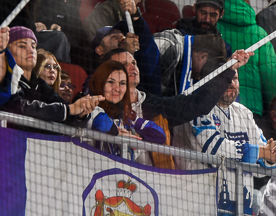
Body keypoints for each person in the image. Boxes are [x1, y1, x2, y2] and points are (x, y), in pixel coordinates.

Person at [106, 46, 251, 169]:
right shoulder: (100, 105)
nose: (132, 67)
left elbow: (198, 104)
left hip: (148, 186)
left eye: (134, 62)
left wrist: (228, 69)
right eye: (124, 64)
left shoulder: (154, 106)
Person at [187, 69, 276, 216]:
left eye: (235, 78)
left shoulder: (244, 113)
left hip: (243, 211)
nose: (231, 83)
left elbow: (261, 162)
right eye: (225, 78)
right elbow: (215, 147)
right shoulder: (199, 108)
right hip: (206, 208)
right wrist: (261, 152)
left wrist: (273, 157)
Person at [2, 27, 100, 124]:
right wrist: (69, 109)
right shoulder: (5, 79)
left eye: (33, 46)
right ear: (7, 51)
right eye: (22, 46)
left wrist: (81, 111)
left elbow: (63, 106)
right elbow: (20, 107)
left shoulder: (40, 84)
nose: (31, 50)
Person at [218, 0, 276, 119]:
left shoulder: (215, 28)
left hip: (219, 104)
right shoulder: (259, 33)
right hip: (252, 108)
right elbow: (270, 74)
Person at [86, 60, 167, 160]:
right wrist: (119, 135)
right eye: (111, 82)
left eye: (122, 83)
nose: (117, 88)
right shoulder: (89, 105)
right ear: (100, 83)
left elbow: (160, 135)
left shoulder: (125, 116)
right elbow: (101, 123)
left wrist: (133, 134)